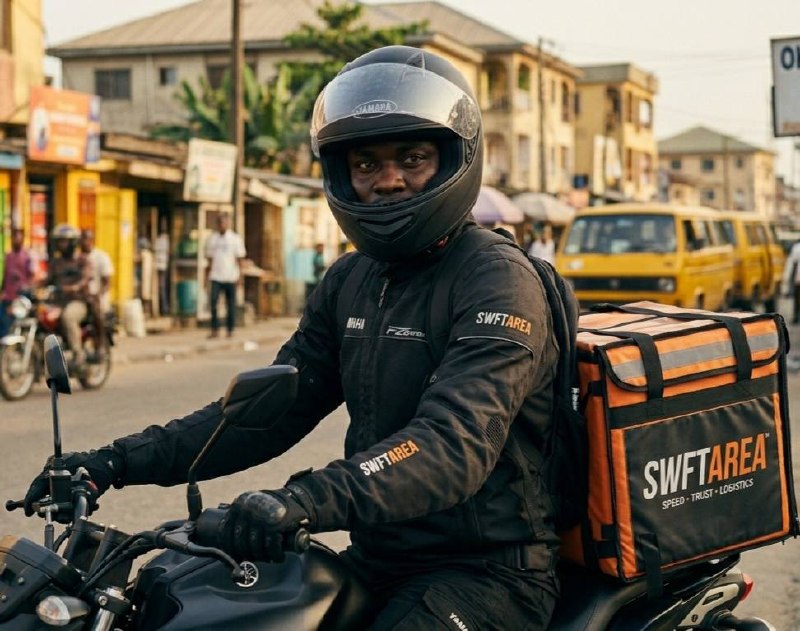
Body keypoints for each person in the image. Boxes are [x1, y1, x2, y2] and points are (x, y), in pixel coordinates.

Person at [23, 46, 560, 629]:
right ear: (341, 174)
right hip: (379, 557)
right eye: (366, 164)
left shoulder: (497, 278)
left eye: (413, 157)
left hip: (486, 571)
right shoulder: (351, 279)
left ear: (457, 157)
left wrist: (302, 500)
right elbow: (267, 413)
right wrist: (112, 462)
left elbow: (453, 443)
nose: (387, 181)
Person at [46, 223, 92, 371]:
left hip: (78, 301)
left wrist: (75, 287)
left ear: (73, 242)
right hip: (58, 302)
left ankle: (78, 355)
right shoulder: (56, 262)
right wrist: (31, 285)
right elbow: (46, 279)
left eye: (64, 241)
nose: (61, 245)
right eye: (59, 241)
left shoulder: (82, 260)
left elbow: (86, 278)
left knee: (68, 317)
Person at [204, 213, 245, 338]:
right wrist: (206, 277)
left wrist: (240, 277)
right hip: (216, 276)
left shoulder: (235, 239)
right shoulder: (213, 239)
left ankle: (230, 329)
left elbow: (240, 259)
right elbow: (209, 260)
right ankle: (214, 329)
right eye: (220, 223)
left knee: (230, 304)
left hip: (230, 276)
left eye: (224, 222)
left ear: (228, 223)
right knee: (213, 303)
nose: (222, 225)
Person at [79, 229, 113, 358]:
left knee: (96, 312)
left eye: (86, 239)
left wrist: (98, 294)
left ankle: (100, 343)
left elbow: (107, 282)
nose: (83, 242)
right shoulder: (79, 258)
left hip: (98, 297)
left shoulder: (101, 257)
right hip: (82, 296)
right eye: (81, 240)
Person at [0, 227, 35, 337]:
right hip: (7, 297)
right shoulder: (8, 256)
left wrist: (25, 293)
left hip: (19, 299)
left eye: (19, 237)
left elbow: (31, 277)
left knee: (10, 326)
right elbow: (5, 277)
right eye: (14, 237)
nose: (16, 240)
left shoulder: (27, 257)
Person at [783, 239, 800, 324]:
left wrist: (790, 279)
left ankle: (796, 317)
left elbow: (793, 264)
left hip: (798, 278)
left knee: (797, 299)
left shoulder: (797, 247)